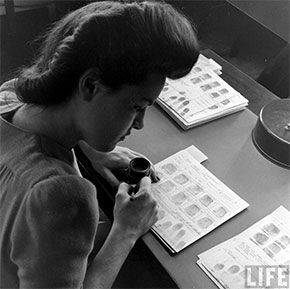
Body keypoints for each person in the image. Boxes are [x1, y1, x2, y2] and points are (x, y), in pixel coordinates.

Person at [0, 0, 199, 288]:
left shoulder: (9, 95)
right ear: (91, 85)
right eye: (136, 106)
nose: (140, 123)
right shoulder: (60, 197)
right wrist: (126, 231)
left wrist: (88, 145)